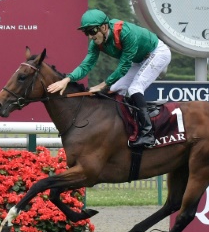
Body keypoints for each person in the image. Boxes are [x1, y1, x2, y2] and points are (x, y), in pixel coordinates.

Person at [47, 9, 171, 148]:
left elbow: (124, 66)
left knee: (135, 88)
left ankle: (148, 135)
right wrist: (67, 79)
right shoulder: (96, 43)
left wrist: (102, 85)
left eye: (92, 31)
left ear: (104, 27)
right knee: (115, 90)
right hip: (139, 59)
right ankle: (124, 129)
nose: (90, 37)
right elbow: (86, 65)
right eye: (86, 32)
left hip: (157, 52)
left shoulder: (126, 33)